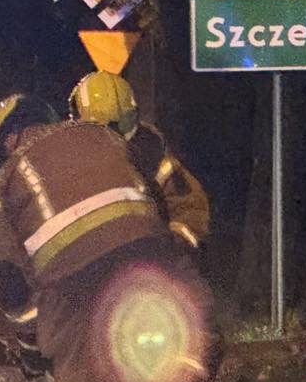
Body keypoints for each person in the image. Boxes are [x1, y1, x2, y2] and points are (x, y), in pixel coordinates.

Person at [0, 93, 214, 382]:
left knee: (79, 375)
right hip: (143, 246)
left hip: (70, 273)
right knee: (179, 321)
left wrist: (33, 348)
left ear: (10, 138)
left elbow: (8, 278)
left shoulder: (8, 177)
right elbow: (158, 189)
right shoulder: (99, 135)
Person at [68, 71, 211, 251]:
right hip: (90, 258)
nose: (114, 134)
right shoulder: (66, 162)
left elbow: (190, 209)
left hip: (146, 257)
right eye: (100, 127)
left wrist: (173, 242)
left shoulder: (154, 158)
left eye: (122, 123)